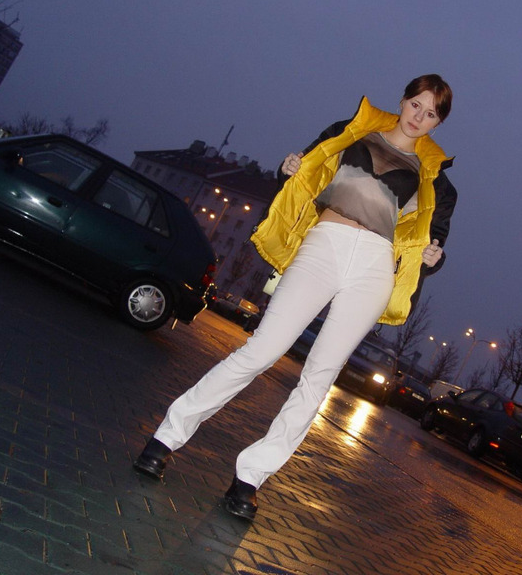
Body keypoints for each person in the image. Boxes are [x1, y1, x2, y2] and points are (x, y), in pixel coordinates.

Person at [133, 74, 457, 520]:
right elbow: (304, 169)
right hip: (325, 243)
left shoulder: (437, 182)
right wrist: (286, 168)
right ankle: (166, 438)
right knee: (260, 350)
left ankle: (250, 479)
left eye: (431, 113)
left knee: (319, 377)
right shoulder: (353, 129)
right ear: (403, 100)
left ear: (438, 123)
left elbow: (432, 243)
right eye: (416, 104)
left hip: (374, 267)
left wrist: (435, 257)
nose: (419, 116)